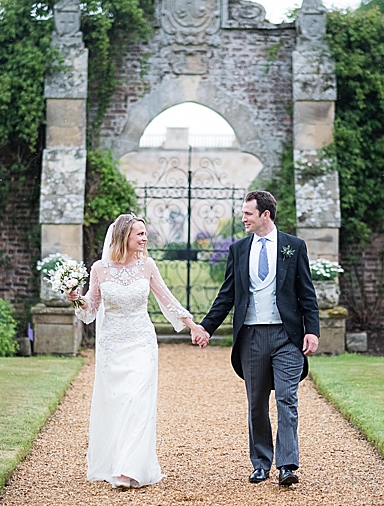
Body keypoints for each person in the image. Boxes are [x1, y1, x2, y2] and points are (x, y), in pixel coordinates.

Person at [66, 213, 208, 489]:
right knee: (118, 402)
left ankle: (129, 468)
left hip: (141, 343)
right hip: (112, 345)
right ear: (124, 237)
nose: (145, 238)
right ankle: (116, 460)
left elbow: (167, 299)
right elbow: (91, 309)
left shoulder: (148, 266)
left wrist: (193, 325)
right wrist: (77, 299)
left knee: (137, 399)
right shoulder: (99, 269)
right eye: (140, 234)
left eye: (145, 233)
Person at [197, 190, 320, 486]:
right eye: (243, 214)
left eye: (248, 214)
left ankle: (287, 465)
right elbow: (227, 295)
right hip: (251, 335)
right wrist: (206, 327)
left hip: (287, 336)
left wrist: (312, 330)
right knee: (256, 403)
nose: (243, 219)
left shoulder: (294, 246)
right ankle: (261, 463)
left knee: (287, 399)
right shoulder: (239, 249)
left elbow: (307, 293)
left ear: (265, 214)